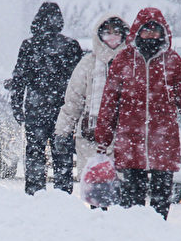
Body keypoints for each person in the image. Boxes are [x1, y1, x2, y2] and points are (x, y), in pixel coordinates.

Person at [94, 7, 181, 220]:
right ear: (137, 32)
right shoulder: (123, 61)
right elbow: (109, 102)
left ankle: (159, 236)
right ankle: (135, 240)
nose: (150, 35)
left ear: (163, 33)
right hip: (131, 141)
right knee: (132, 201)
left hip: (163, 141)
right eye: (146, 31)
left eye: (155, 31)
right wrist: (103, 137)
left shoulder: (172, 61)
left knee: (161, 201)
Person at [10, 2, 83, 195]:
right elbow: (79, 81)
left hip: (36, 108)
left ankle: (35, 192)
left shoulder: (28, 45)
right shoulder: (71, 46)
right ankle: (62, 193)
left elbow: (19, 79)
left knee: (35, 151)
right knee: (63, 152)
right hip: (63, 109)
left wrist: (17, 106)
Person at [54, 14, 129, 182]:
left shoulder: (132, 64)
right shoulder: (87, 64)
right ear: (99, 34)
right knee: (94, 186)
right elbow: (73, 102)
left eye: (116, 31)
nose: (112, 36)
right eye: (107, 32)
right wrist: (62, 132)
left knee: (123, 190)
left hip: (124, 137)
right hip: (91, 136)